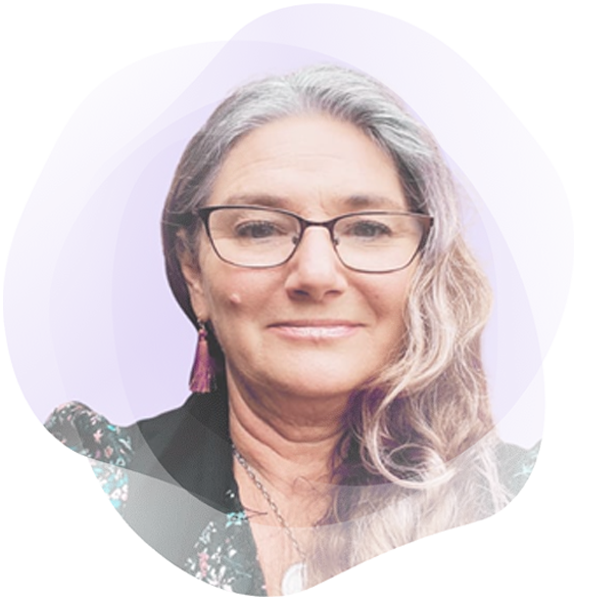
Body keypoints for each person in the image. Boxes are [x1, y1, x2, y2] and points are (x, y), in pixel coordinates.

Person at [3, 64, 573, 597]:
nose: (316, 275)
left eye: (368, 229)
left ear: (424, 267)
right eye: (259, 229)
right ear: (193, 271)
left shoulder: (539, 501)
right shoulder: (89, 482)